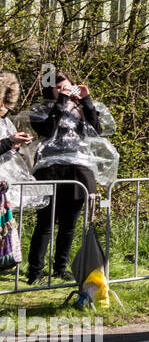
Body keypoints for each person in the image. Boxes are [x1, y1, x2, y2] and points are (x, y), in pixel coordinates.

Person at [26, 72, 100, 283]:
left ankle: (60, 267)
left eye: (69, 87)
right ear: (51, 90)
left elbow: (97, 130)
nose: (66, 91)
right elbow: (47, 130)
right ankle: (35, 272)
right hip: (50, 170)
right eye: (60, 88)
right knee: (45, 222)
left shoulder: (80, 109)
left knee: (69, 224)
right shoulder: (40, 110)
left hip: (78, 170)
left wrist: (86, 100)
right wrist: (61, 101)